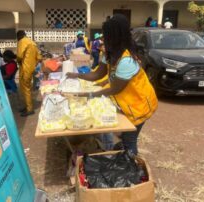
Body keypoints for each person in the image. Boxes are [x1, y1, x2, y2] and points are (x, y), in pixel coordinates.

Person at [67, 14, 158, 155]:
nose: (104, 38)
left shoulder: (127, 60)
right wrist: (77, 75)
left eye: (107, 35)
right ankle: (123, 151)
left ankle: (131, 167)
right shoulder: (109, 53)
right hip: (127, 103)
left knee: (130, 140)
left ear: (116, 36)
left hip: (139, 104)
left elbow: (114, 89)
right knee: (124, 134)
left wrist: (88, 95)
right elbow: (97, 74)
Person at [16, 30, 41, 117]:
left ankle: (29, 109)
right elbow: (39, 57)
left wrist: (18, 62)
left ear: (19, 36)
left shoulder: (22, 41)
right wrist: (33, 65)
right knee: (28, 88)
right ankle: (27, 105)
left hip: (25, 69)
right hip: (31, 69)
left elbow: (19, 56)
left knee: (25, 89)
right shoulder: (32, 43)